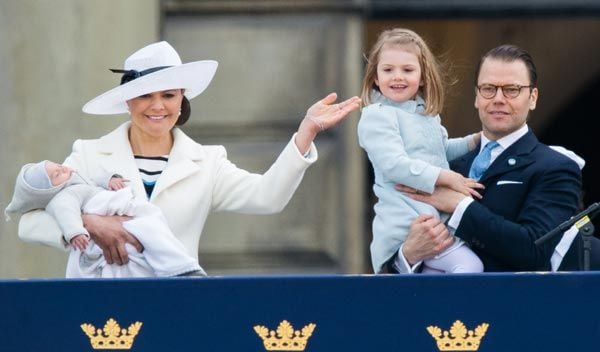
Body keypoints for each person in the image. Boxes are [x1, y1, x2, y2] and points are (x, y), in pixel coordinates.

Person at [17, 41, 361, 271]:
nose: (157, 106)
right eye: (144, 95)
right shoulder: (88, 154)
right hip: (98, 315)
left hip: (176, 308)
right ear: (127, 101)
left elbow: (267, 198)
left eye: (168, 95)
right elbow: (29, 223)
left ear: (182, 98)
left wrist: (306, 132)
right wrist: (91, 224)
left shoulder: (206, 162)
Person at [394, 44, 582, 273]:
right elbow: (392, 263)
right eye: (488, 88)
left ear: (532, 97)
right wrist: (408, 255)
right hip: (438, 304)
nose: (498, 99)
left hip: (506, 306)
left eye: (512, 89)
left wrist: (459, 205)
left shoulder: (556, 168)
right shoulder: (446, 165)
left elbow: (535, 251)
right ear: (476, 97)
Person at [357, 28, 484, 274]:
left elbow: (440, 151)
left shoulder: (425, 114)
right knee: (470, 266)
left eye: (407, 70)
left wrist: (475, 141)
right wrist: (448, 178)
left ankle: (444, 313)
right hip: (405, 224)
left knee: (434, 282)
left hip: (433, 222)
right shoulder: (376, 117)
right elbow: (395, 164)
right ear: (374, 76)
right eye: (388, 70)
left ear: (423, 77)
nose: (397, 77)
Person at [5, 160, 205, 278]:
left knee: (151, 232)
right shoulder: (66, 191)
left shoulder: (210, 157)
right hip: (117, 227)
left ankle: (178, 270)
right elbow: (53, 216)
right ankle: (180, 268)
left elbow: (92, 180)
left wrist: (111, 179)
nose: (157, 106)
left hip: (129, 220)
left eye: (168, 95)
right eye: (57, 173)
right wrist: (86, 224)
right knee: (149, 230)